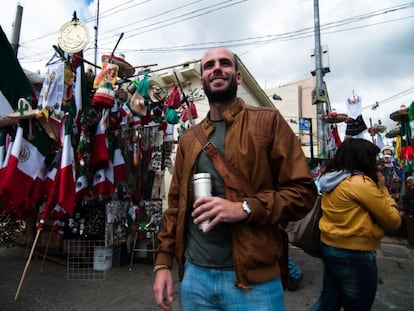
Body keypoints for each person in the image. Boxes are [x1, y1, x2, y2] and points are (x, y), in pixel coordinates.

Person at [153, 47, 318, 311]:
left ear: (238, 77)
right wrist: (163, 262)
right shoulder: (188, 139)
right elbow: (175, 206)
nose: (216, 68)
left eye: (224, 63)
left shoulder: (267, 122)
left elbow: (303, 192)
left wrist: (244, 208)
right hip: (195, 278)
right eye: (209, 66)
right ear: (204, 79)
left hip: (254, 282)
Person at [311, 138, 401, 311]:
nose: (375, 164)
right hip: (355, 252)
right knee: (357, 305)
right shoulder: (360, 183)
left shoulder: (331, 178)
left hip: (330, 246)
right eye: (372, 159)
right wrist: (382, 189)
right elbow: (393, 220)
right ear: (362, 158)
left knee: (328, 302)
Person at [402, 176, 414, 248]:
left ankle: (411, 242)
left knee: (411, 227)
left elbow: (406, 197)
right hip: (410, 211)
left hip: (411, 212)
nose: (408, 184)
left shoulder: (412, 191)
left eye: (409, 182)